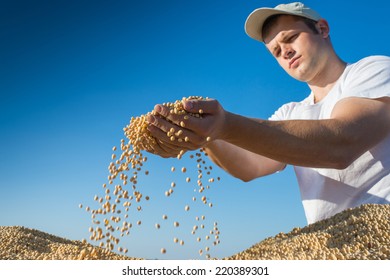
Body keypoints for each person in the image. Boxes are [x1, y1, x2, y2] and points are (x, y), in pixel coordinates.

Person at [145, 2, 390, 224]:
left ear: (322, 29)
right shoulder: (291, 112)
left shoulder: (372, 70)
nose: (285, 52)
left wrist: (223, 126)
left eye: (291, 37)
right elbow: (249, 166)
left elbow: (340, 143)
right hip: (335, 248)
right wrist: (202, 135)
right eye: (276, 51)